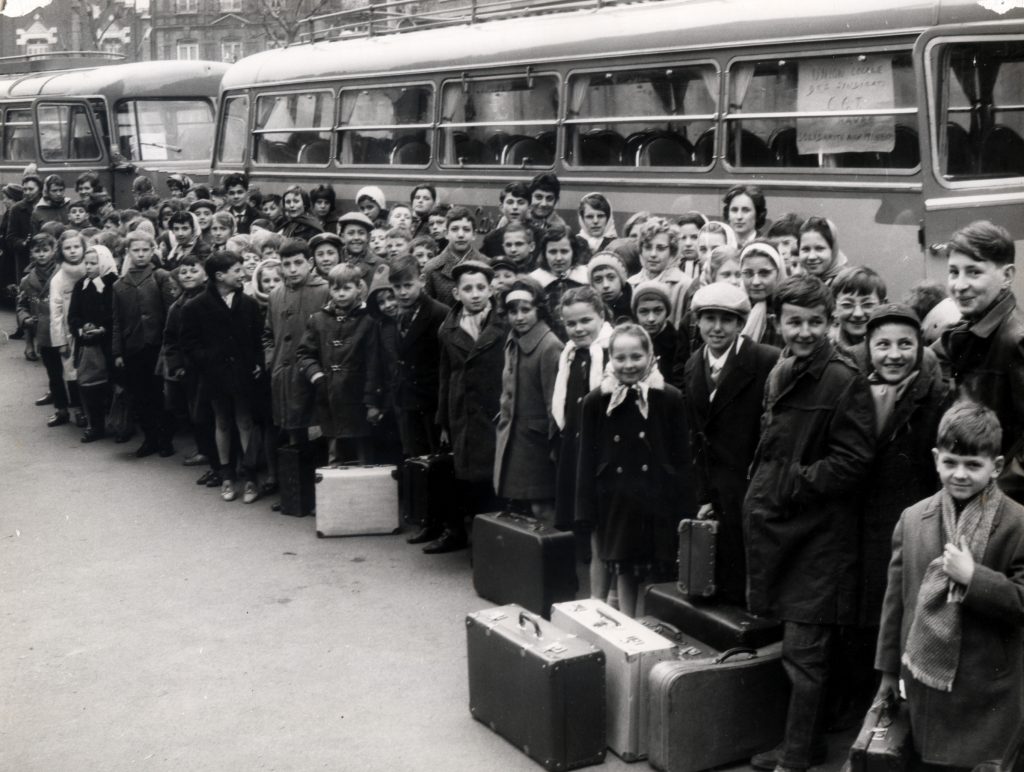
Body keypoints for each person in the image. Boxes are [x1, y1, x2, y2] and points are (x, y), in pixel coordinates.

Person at [744, 274, 875, 772]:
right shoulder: (783, 369)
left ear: (830, 322)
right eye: (794, 322)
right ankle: (806, 743)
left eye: (815, 322)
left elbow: (853, 461)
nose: (804, 331)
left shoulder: (843, 378)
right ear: (777, 322)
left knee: (805, 654)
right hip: (787, 529)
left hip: (818, 536)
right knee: (800, 651)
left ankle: (796, 758)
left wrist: (792, 483)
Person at [875, 401, 1024, 770]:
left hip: (991, 688)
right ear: (935, 459)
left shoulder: (1017, 523)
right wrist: (888, 674)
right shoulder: (913, 519)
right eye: (951, 462)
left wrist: (975, 578)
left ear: (997, 467)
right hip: (929, 689)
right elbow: (896, 602)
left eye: (974, 465)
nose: (960, 474)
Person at [830, 303, 950, 726]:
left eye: (905, 344)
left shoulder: (935, 399)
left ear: (920, 347)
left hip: (908, 525)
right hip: (861, 524)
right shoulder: (857, 390)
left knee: (899, 610)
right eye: (883, 345)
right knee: (863, 613)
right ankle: (860, 702)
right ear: (868, 348)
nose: (894, 354)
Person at [576, 322, 695, 616]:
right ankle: (628, 628)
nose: (628, 365)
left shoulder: (668, 397)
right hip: (616, 499)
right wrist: (585, 510)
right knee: (625, 568)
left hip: (658, 499)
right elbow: (586, 461)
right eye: (620, 358)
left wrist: (685, 506)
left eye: (636, 357)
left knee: (658, 569)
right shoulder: (596, 401)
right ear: (610, 360)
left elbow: (682, 457)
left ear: (650, 357)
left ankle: (652, 626)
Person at [680, 281, 779, 606]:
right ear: (698, 321)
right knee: (718, 577)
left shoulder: (766, 361)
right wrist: (704, 493)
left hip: (752, 487)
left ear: (740, 323)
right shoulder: (694, 363)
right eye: (709, 318)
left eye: (727, 319)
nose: (717, 328)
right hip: (716, 493)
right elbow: (696, 436)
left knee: (753, 578)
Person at [932, 220, 1024, 503]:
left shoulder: (1015, 340)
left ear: (1007, 275)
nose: (959, 285)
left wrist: (995, 494)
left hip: (993, 496)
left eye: (974, 272)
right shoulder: (967, 328)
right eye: (953, 272)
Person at [431, 260, 509, 554]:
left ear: (491, 290)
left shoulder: (503, 324)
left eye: (481, 288)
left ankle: (493, 542)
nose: (475, 294)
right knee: (467, 477)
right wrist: (443, 421)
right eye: (468, 289)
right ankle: (468, 535)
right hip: (462, 411)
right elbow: (445, 374)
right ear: (456, 293)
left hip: (494, 409)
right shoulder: (448, 328)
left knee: (493, 478)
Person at [180, 251, 265, 503]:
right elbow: (188, 344)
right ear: (220, 276)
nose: (243, 274)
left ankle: (250, 476)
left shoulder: (249, 304)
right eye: (237, 270)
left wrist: (258, 362)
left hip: (243, 374)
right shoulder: (195, 307)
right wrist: (208, 361)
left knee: (245, 421)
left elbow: (259, 338)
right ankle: (226, 474)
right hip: (214, 375)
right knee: (222, 422)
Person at [381, 254, 450, 543]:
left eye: (408, 285)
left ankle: (448, 526)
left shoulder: (439, 313)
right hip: (408, 399)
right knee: (416, 461)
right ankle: (428, 521)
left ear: (421, 281)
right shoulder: (399, 313)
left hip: (432, 400)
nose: (403, 292)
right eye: (397, 287)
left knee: (438, 464)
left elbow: (446, 364)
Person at [551, 286, 614, 596]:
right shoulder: (570, 355)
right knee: (579, 517)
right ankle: (582, 587)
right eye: (571, 323)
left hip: (603, 450)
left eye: (586, 320)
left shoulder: (611, 352)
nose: (578, 329)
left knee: (602, 525)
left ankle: (606, 593)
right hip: (574, 445)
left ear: (601, 316)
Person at [493, 277, 563, 527]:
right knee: (528, 507)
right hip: (518, 437)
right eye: (513, 311)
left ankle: (556, 557)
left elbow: (553, 404)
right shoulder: (513, 340)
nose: (519, 317)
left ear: (539, 310)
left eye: (526, 310)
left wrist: (554, 446)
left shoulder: (549, 346)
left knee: (543, 506)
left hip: (538, 443)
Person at [298, 264, 382, 466]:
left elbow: (374, 362)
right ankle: (334, 493)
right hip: (329, 394)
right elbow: (304, 353)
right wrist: (317, 376)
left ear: (358, 288)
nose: (341, 294)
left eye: (346, 288)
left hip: (358, 396)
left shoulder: (369, 320)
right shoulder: (318, 320)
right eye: (336, 289)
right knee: (334, 450)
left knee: (363, 453)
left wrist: (372, 402)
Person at [111, 230, 179, 458]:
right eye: (135, 250)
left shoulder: (160, 276)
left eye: (145, 250)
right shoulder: (120, 285)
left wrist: (169, 345)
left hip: (157, 347)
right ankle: (150, 439)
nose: (140, 255)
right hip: (134, 348)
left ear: (152, 251)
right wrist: (118, 351)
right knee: (140, 396)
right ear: (128, 253)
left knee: (161, 395)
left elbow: (172, 312)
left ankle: (165, 439)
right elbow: (117, 322)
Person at [263, 238, 330, 446]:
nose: (292, 269)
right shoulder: (275, 295)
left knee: (321, 428)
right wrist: (271, 359)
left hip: (313, 373)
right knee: (293, 431)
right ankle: (296, 474)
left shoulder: (325, 290)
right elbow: (268, 334)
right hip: (284, 374)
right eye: (286, 264)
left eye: (298, 263)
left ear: (310, 263)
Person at [158, 255, 218, 485]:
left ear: (205, 274)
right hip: (190, 370)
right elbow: (170, 338)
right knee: (198, 414)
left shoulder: (211, 299)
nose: (188, 275)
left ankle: (221, 461)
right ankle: (206, 452)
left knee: (216, 416)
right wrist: (176, 365)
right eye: (184, 272)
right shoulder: (177, 306)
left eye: (194, 271)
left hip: (212, 366)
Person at [67, 245, 118, 442]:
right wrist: (81, 328)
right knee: (90, 385)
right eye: (86, 263)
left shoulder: (113, 284)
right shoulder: (81, 285)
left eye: (93, 263)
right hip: (87, 344)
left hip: (108, 342)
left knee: (113, 383)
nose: (88, 267)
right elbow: (73, 314)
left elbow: (115, 314)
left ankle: (118, 423)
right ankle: (95, 425)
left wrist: (102, 328)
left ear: (104, 262)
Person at [17, 234, 62, 415]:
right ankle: (61, 407)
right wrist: (25, 318)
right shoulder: (27, 280)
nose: (42, 255)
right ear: (32, 253)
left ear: (53, 251)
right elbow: (21, 304)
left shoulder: (62, 274)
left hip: (62, 330)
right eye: (37, 251)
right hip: (43, 332)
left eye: (46, 250)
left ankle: (78, 408)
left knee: (70, 371)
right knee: (52, 371)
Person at [49, 231, 89, 428]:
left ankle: (98, 409)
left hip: (90, 328)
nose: (73, 251)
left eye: (76, 247)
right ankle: (80, 410)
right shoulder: (58, 279)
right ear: (61, 251)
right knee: (73, 373)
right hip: (69, 333)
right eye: (68, 248)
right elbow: (55, 312)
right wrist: (60, 341)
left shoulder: (91, 269)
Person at [628, 217, 691, 328]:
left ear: (672, 252)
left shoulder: (684, 284)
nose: (653, 254)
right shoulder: (630, 284)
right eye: (647, 247)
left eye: (660, 248)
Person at [529, 224, 589, 339]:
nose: (558, 258)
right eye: (552, 252)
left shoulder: (586, 278)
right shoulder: (535, 282)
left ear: (574, 251)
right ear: (544, 253)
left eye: (564, 251)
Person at [422, 206, 486, 307]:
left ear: (474, 235)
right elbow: (427, 309)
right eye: (455, 229)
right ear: (446, 234)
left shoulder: (486, 264)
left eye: (466, 229)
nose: (460, 235)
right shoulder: (432, 268)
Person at [739, 241, 787, 349]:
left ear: (778, 273)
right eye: (748, 273)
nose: (755, 282)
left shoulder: (787, 310)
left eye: (764, 273)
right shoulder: (734, 308)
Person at [830, 266, 886, 354]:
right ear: (833, 307)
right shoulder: (824, 349)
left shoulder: (893, 351)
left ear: (883, 305)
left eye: (868, 304)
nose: (858, 313)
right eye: (847, 305)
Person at [632, 281, 677, 377]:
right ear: (636, 313)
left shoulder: (678, 343)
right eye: (644, 311)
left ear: (667, 312)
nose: (651, 319)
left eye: (658, 310)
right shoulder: (629, 341)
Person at [480, 182, 531, 258]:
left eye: (521, 202)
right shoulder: (491, 240)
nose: (515, 207)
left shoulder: (539, 236)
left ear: (529, 207)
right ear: (501, 207)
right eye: (510, 202)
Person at [798, 216, 847, 285]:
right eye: (806, 249)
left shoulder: (846, 285)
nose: (811, 257)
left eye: (819, 248)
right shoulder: (799, 284)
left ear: (833, 250)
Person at [588, 251, 632, 323]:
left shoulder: (635, 304)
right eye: (598, 280)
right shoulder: (591, 310)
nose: (606, 285)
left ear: (621, 279)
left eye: (611, 277)